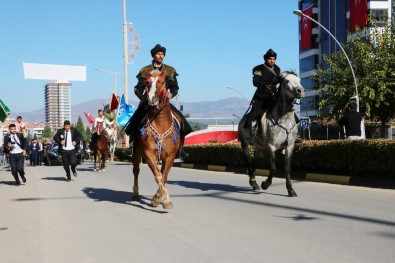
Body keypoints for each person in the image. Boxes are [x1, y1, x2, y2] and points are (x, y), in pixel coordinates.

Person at [125, 44, 192, 157]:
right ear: (154, 55)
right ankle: (132, 147)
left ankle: (181, 149)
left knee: (183, 122)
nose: (160, 56)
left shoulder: (169, 71)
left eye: (162, 54)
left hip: (164, 103)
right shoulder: (145, 71)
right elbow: (137, 89)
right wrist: (142, 98)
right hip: (148, 104)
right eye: (158, 54)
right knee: (135, 122)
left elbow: (175, 87)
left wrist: (172, 93)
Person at [243, 49, 282, 140]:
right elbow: (255, 82)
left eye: (274, 59)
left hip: (273, 95)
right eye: (270, 59)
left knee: (286, 109)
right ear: (265, 59)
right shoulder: (258, 68)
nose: (272, 61)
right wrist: (264, 86)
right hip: (261, 96)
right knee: (254, 113)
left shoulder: (277, 69)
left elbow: (281, 80)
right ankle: (249, 133)